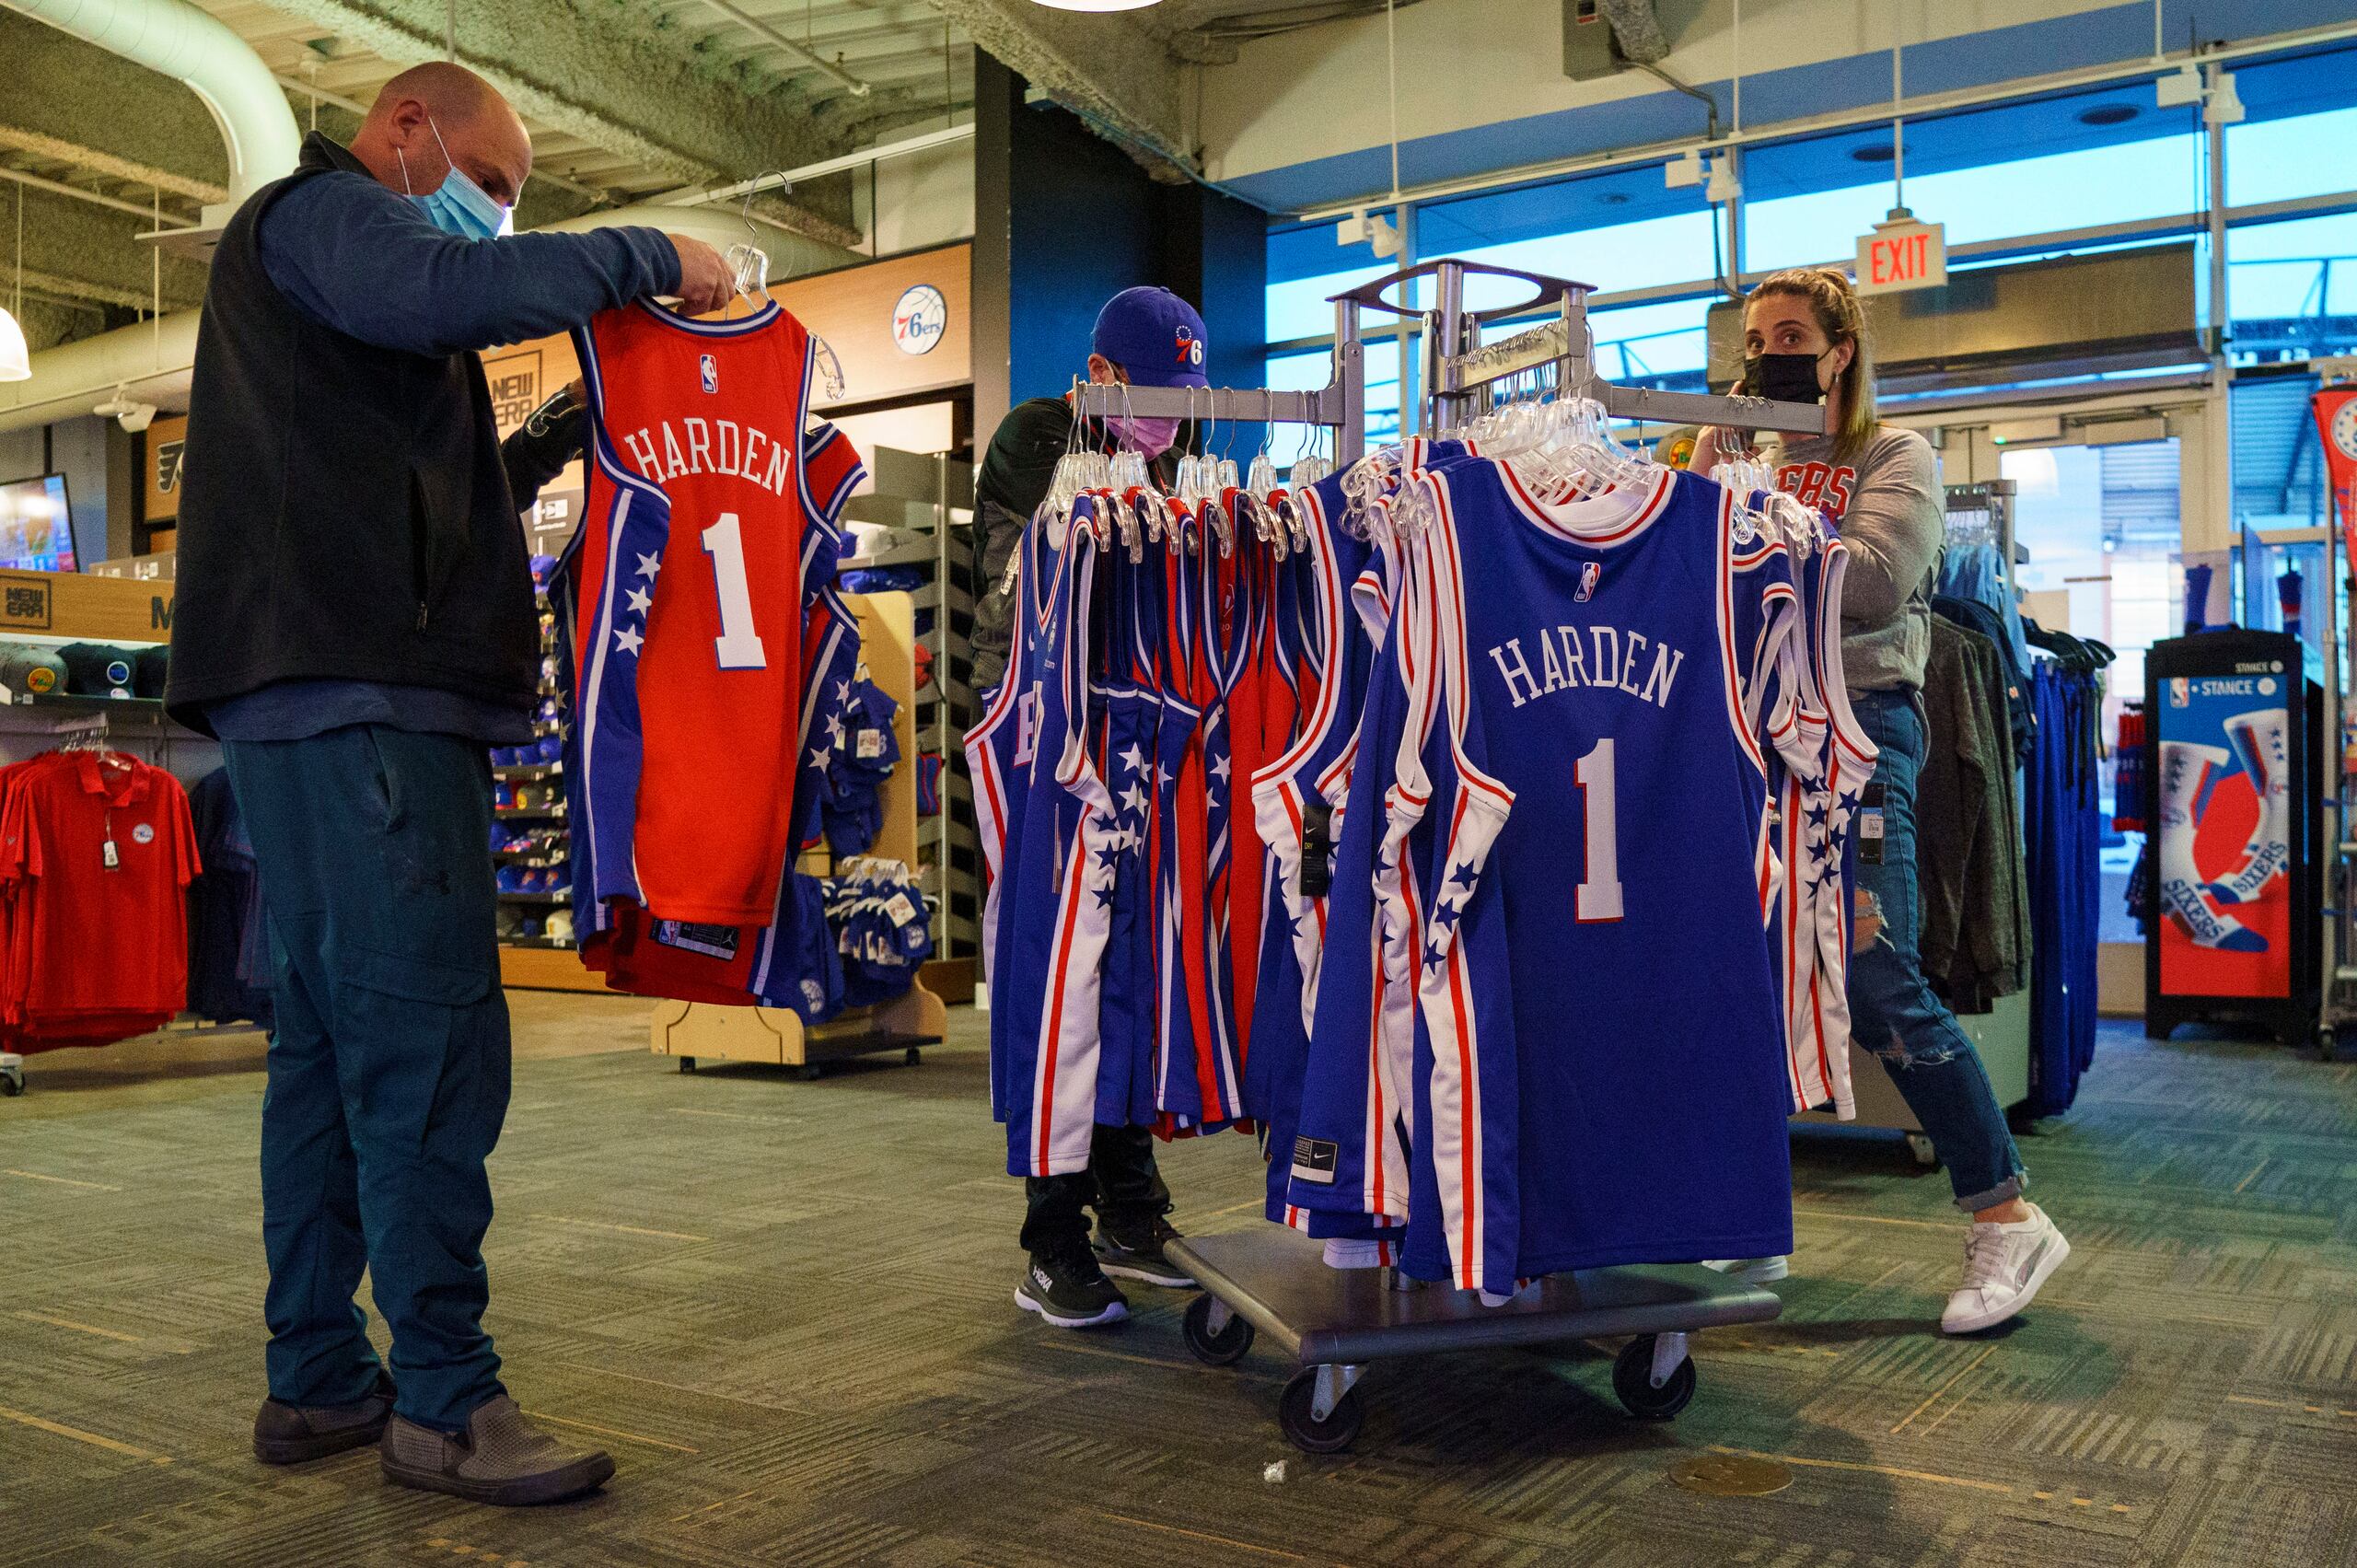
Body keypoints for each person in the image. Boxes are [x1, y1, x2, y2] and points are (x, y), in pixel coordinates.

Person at [166, 62, 734, 1504]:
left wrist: (562, 434)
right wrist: (653, 253)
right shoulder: (323, 216)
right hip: (362, 702)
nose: (495, 216)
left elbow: (415, 445)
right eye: (492, 184)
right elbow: (440, 295)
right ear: (405, 132)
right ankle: (445, 1400)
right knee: (426, 1043)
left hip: (315, 699)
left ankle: (317, 1375)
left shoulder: (330, 288)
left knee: (327, 1049)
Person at [1692, 266, 2070, 1336]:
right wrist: (1725, 477)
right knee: (1747, 975)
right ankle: (1750, 1208)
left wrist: (1745, 520)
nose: (1770, 347)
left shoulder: (1892, 453)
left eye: (1793, 332)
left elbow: (1866, 582)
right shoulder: (1729, 450)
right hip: (1752, 731)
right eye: (1757, 333)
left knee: (1868, 969)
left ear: (1841, 349)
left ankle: (2005, 1213)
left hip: (1860, 728)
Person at [970, 286, 1209, 1328]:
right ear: (1106, 374)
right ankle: (1050, 1234)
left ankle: (1128, 1200)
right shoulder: (1038, 437)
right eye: (1162, 387)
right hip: (1038, 743)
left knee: (1125, 979)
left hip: (1135, 742)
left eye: (1189, 392)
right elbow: (1014, 584)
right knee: (1055, 984)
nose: (1176, 412)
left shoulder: (1169, 457)